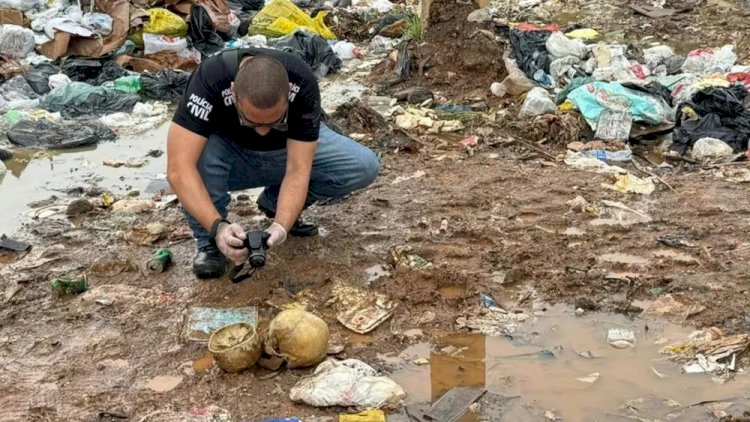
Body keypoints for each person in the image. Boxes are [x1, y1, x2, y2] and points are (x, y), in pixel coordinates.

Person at [167, 47, 380, 279]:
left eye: (274, 122)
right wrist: (218, 227)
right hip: (229, 155)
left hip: (284, 151)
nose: (262, 131)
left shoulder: (301, 80)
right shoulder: (210, 79)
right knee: (193, 154)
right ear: (233, 93)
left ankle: (276, 202)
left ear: (288, 94)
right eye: (251, 121)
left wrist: (281, 226)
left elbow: (299, 168)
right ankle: (208, 241)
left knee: (363, 165)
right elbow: (179, 169)